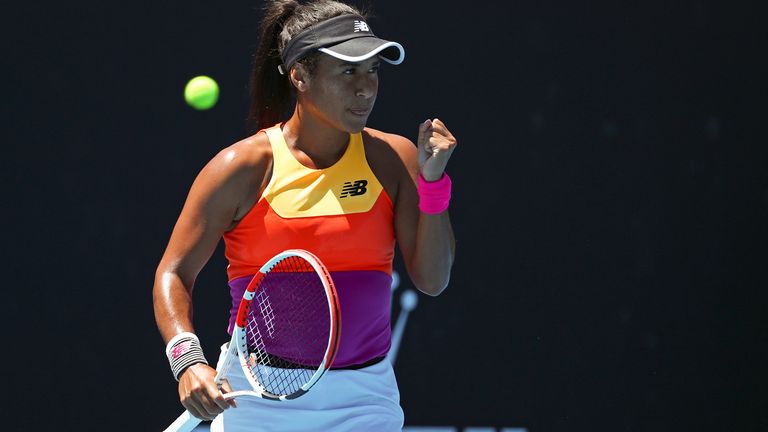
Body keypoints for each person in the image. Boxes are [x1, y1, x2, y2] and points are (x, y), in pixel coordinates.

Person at [153, 0, 457, 430]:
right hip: (255, 399)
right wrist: (187, 361)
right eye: (348, 71)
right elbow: (173, 272)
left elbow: (433, 279)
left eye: (372, 70)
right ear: (299, 76)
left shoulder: (394, 158)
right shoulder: (242, 168)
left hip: (365, 399)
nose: (366, 88)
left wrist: (432, 184)